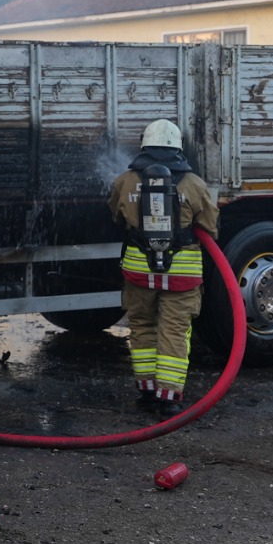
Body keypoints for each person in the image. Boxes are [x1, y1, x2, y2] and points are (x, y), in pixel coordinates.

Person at [107, 119, 221, 419]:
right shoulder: (194, 184)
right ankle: (168, 397)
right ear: (178, 148)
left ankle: (146, 390)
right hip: (181, 274)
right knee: (174, 330)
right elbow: (210, 225)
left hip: (138, 271)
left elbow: (115, 215)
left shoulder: (124, 181)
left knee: (142, 325)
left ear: (144, 145)